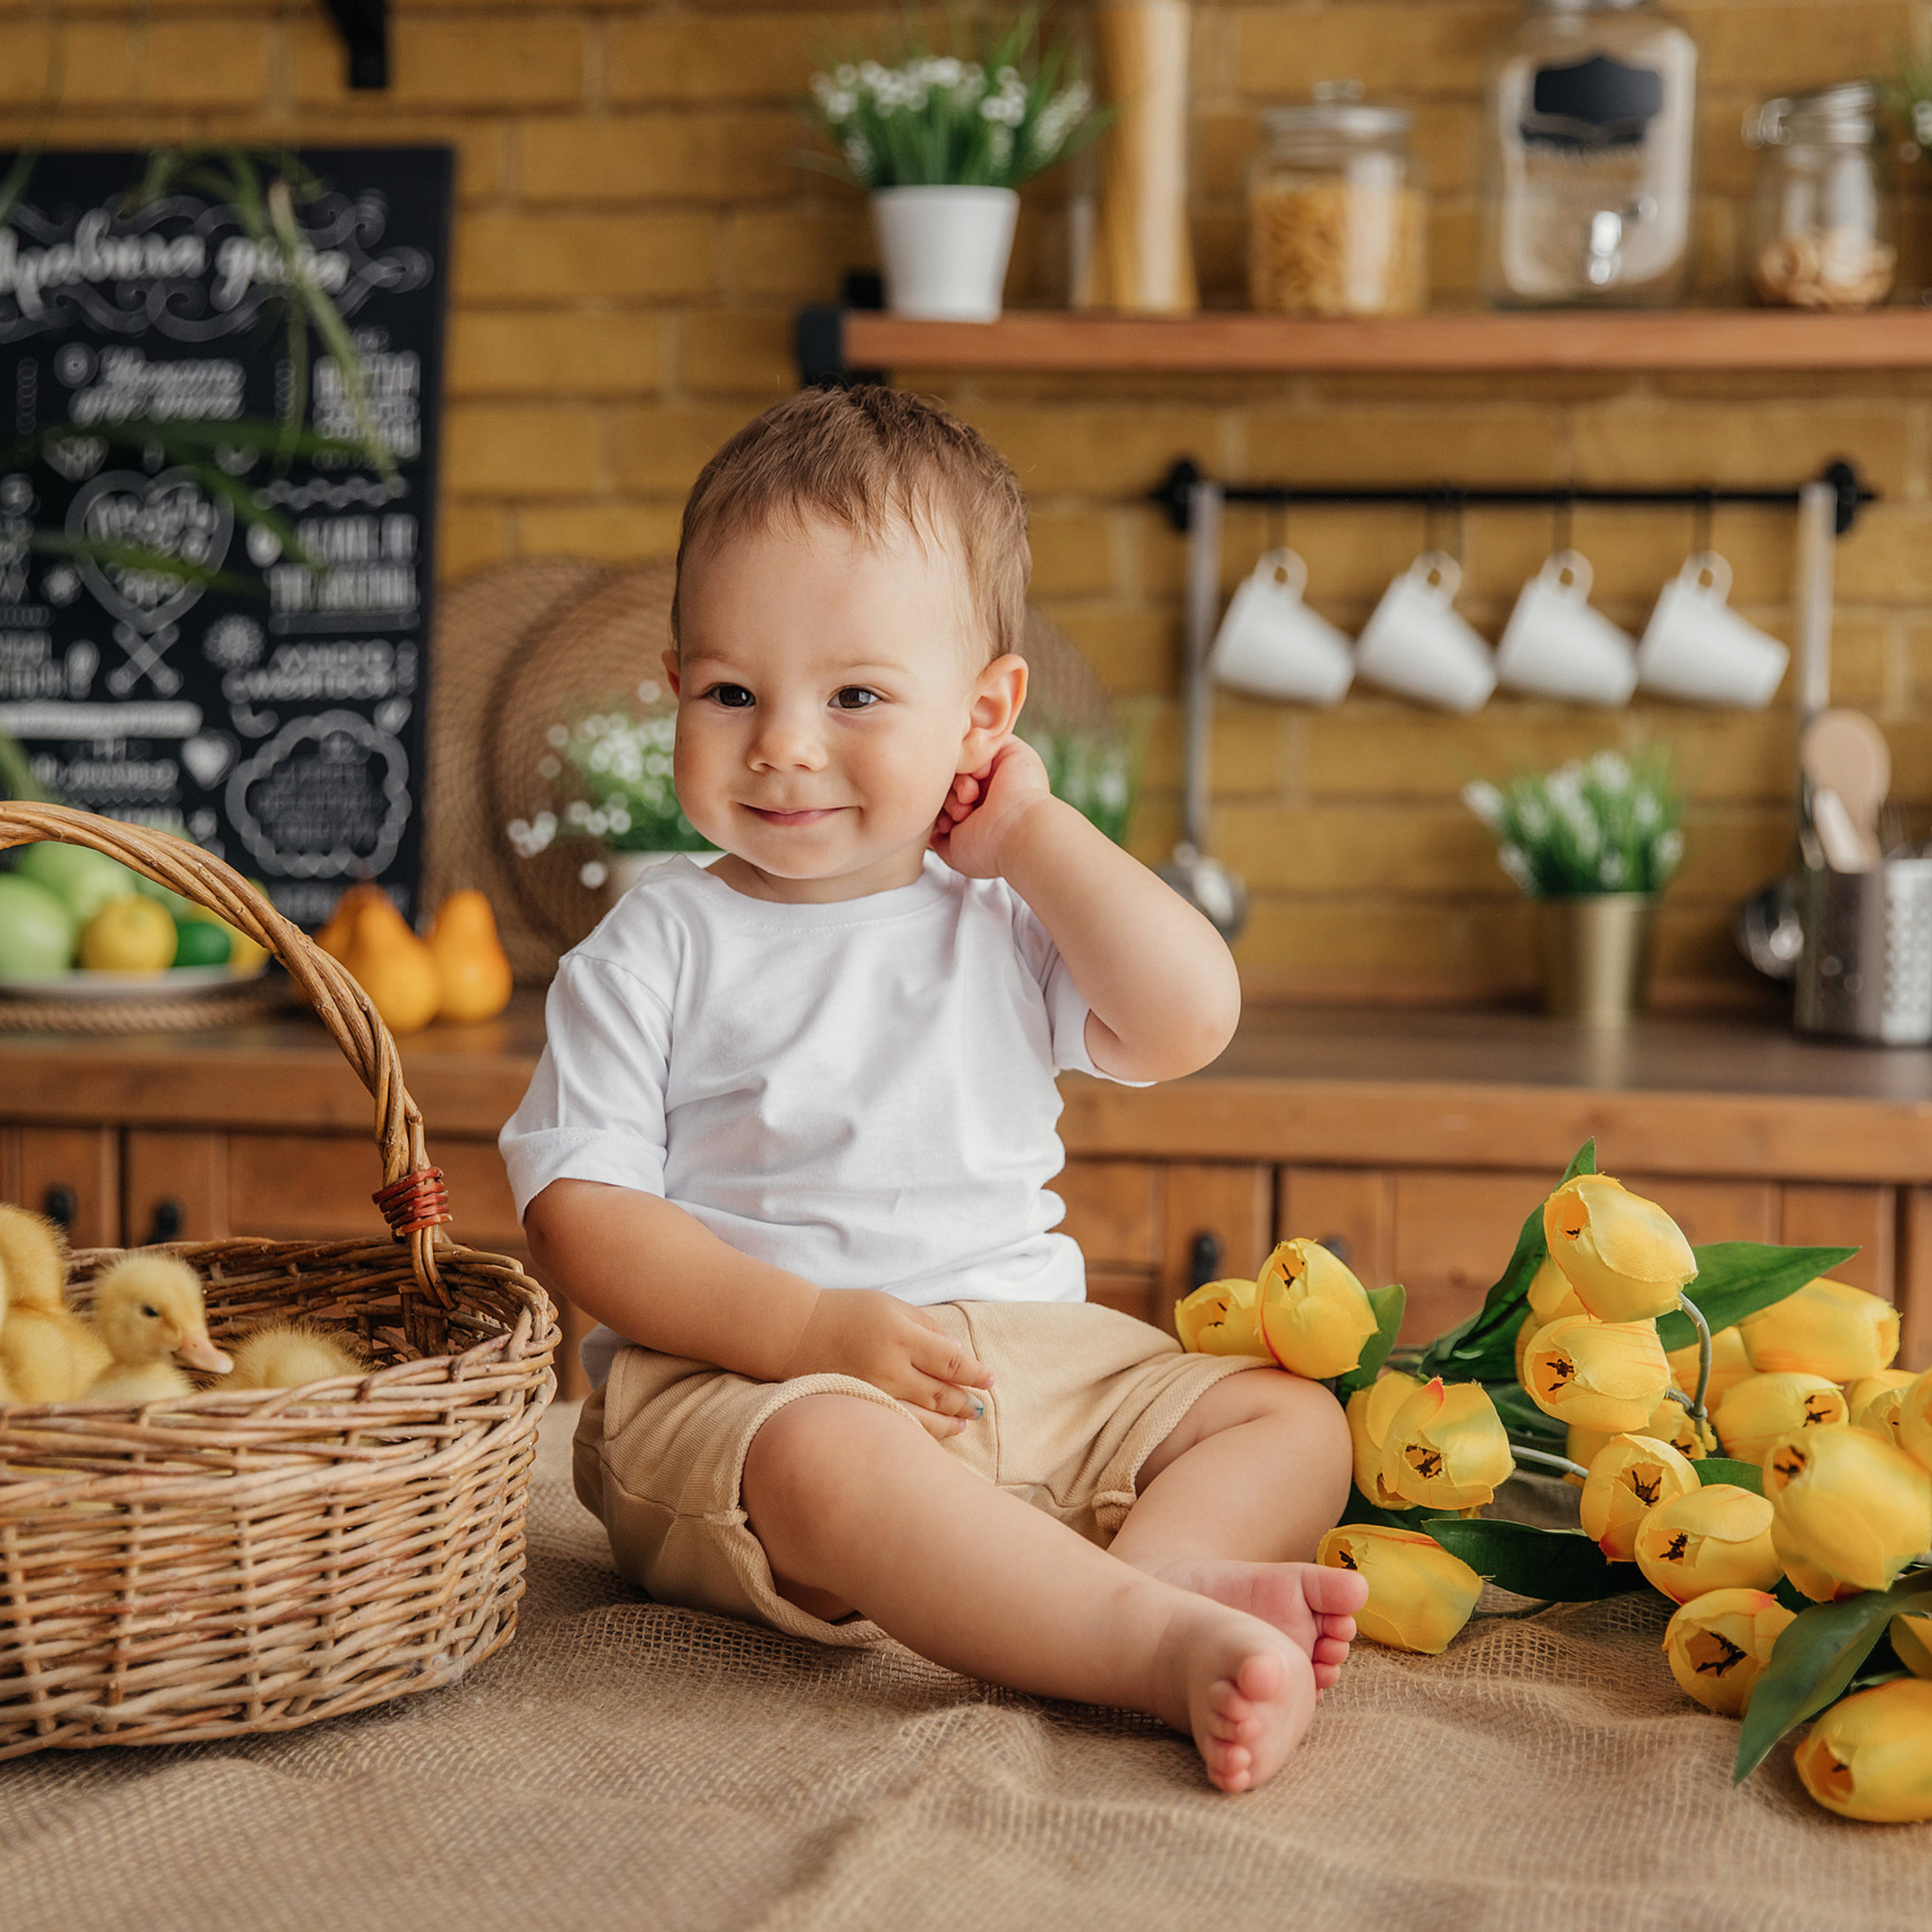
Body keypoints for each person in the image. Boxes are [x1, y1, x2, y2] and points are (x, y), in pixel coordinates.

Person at [502, 385, 1366, 1793]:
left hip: (1030, 1362)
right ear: (674, 686)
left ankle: (1160, 1578)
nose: (783, 743)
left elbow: (1190, 1017)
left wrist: (1034, 832)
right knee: (830, 1465)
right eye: (732, 693)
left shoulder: (1008, 916)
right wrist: (809, 1329)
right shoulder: (657, 942)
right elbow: (580, 1218)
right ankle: (1137, 1644)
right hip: (755, 1381)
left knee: (1291, 1418)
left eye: (855, 696)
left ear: (984, 714)